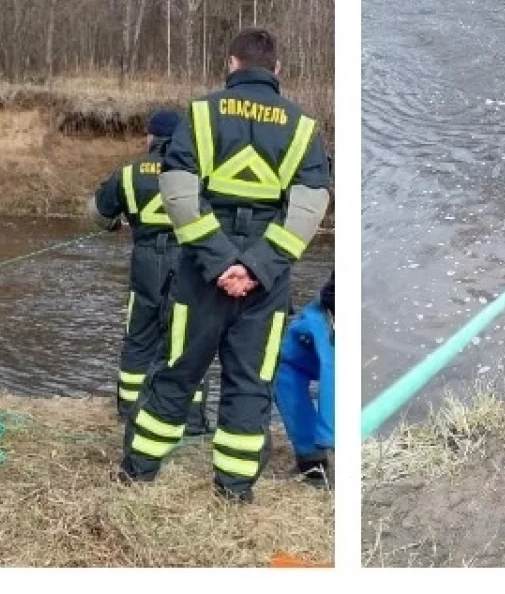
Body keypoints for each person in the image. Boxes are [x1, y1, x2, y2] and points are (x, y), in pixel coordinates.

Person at [120, 28, 332, 503]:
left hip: (199, 269)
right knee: (251, 384)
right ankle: (234, 492)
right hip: (267, 278)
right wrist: (256, 267)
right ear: (276, 70)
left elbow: (176, 189)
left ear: (232, 64)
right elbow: (309, 207)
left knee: (176, 372)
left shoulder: (199, 113)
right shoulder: (302, 127)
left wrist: (218, 262)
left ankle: (138, 474)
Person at [89, 109, 210, 433]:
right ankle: (193, 421)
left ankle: (130, 410)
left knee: (139, 338)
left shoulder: (128, 174)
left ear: (151, 137)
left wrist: (117, 223)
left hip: (145, 262)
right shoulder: (198, 173)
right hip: (188, 261)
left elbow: (99, 214)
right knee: (188, 340)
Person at [275, 270, 334, 487]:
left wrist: (328, 437)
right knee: (283, 368)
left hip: (330, 310)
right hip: (323, 311)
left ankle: (321, 449)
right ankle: (311, 461)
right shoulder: (316, 320)